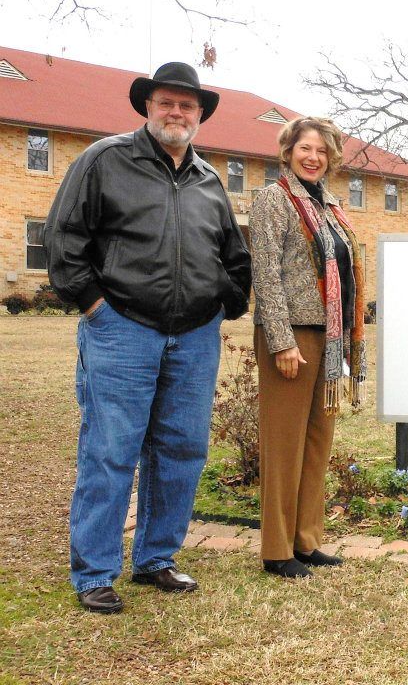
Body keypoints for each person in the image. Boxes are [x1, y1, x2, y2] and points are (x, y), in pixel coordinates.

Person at [44, 62, 251, 613]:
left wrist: (227, 301)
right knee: (111, 449)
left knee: (183, 449)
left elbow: (233, 254)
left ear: (200, 116)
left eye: (187, 106)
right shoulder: (104, 161)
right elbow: (64, 237)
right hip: (122, 330)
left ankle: (157, 558)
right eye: (166, 102)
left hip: (194, 336)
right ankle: (94, 572)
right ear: (147, 106)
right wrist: (93, 305)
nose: (177, 113)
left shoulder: (210, 181)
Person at [251, 116, 366, 578]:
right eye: (305, 149)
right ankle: (277, 549)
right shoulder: (273, 200)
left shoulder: (331, 206)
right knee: (284, 443)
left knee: (318, 441)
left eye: (321, 151)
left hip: (330, 335)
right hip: (291, 335)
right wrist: (280, 340)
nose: (313, 157)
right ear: (288, 151)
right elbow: (267, 272)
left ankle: (307, 539)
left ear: (331, 158)